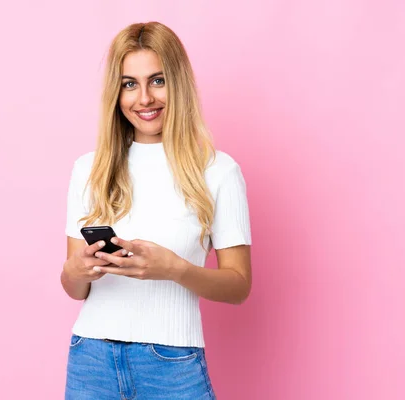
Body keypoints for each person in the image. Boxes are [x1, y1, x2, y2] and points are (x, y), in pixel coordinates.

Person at [61, 21, 251, 400]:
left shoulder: (218, 171)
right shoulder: (90, 167)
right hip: (91, 359)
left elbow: (239, 286)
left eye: (157, 80)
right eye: (129, 83)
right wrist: (76, 269)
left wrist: (174, 269)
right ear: (116, 93)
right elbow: (75, 288)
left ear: (178, 83)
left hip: (172, 363)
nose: (144, 98)